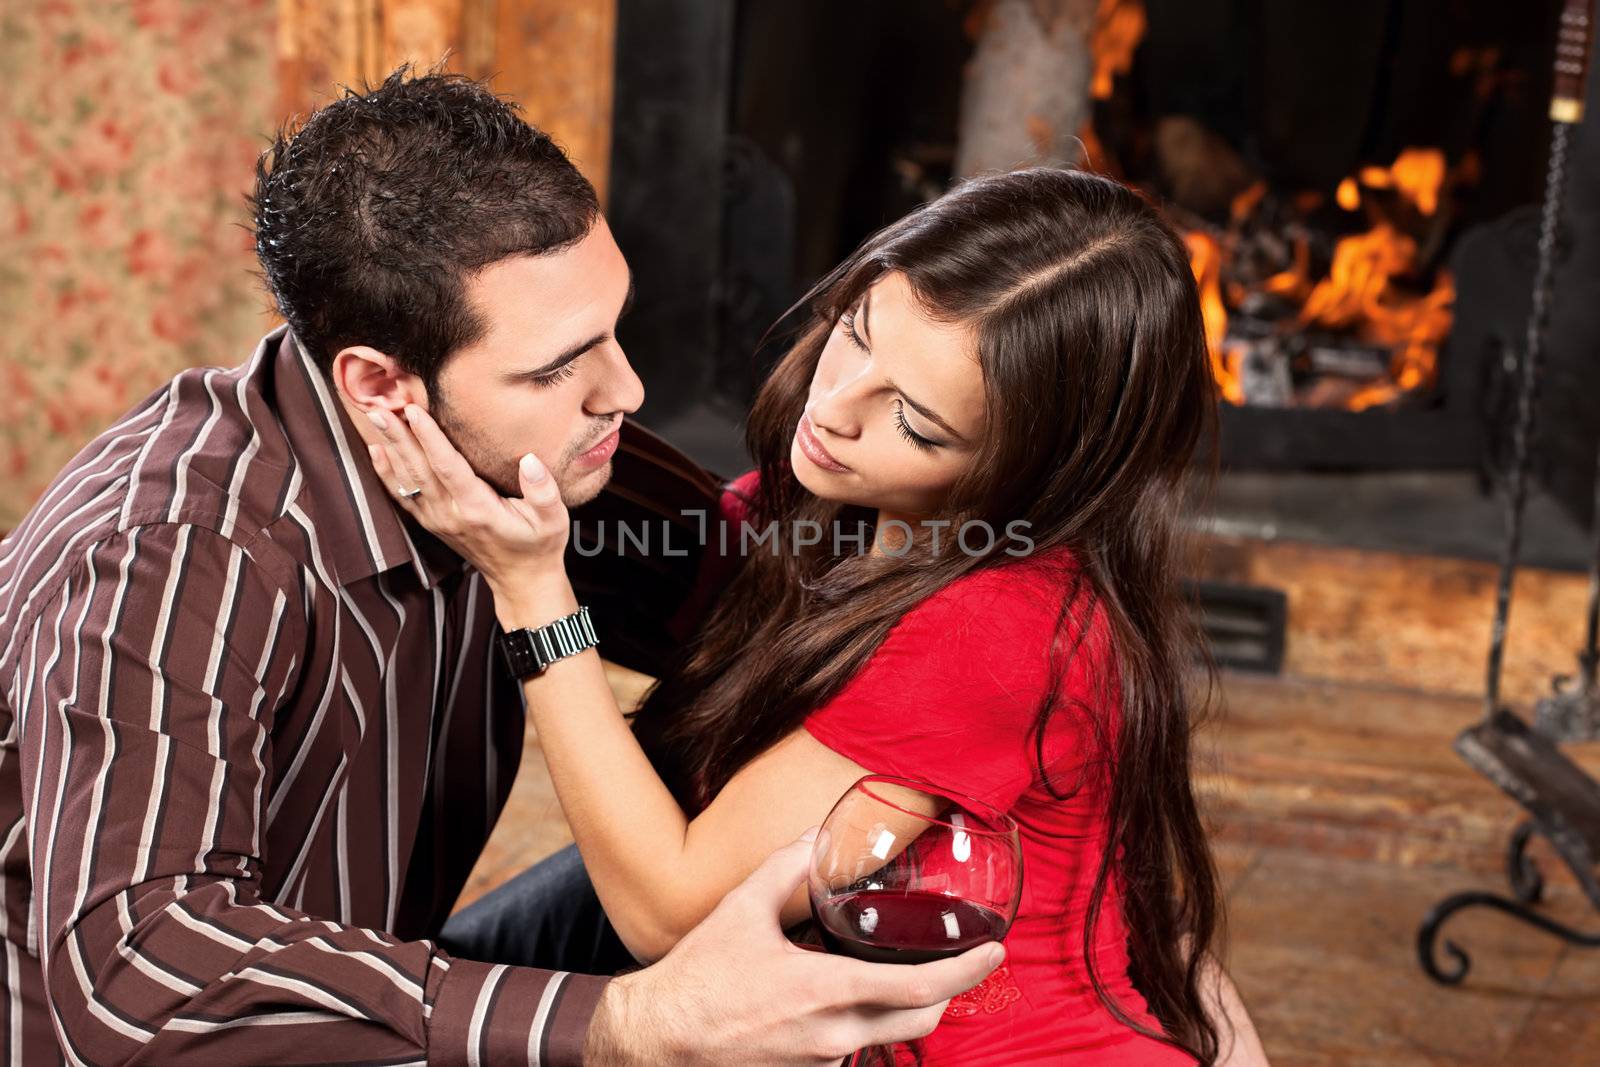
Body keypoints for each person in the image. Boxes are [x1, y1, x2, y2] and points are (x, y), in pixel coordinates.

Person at [0, 67, 1004, 1064]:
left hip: (377, 973)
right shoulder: (179, 555)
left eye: (613, 328)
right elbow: (136, 973)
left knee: (767, 888)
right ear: (381, 383)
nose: (625, 386)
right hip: (166, 1044)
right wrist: (631, 1026)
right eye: (560, 364)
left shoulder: (517, 449)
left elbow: (762, 608)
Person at [370, 166, 1273, 1065]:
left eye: (916, 424)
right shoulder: (859, 510)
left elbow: (666, 910)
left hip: (971, 1046)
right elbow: (701, 558)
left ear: (1030, 472)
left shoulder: (995, 628)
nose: (832, 408)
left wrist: (532, 591)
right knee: (386, 1013)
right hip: (811, 981)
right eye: (856, 333)